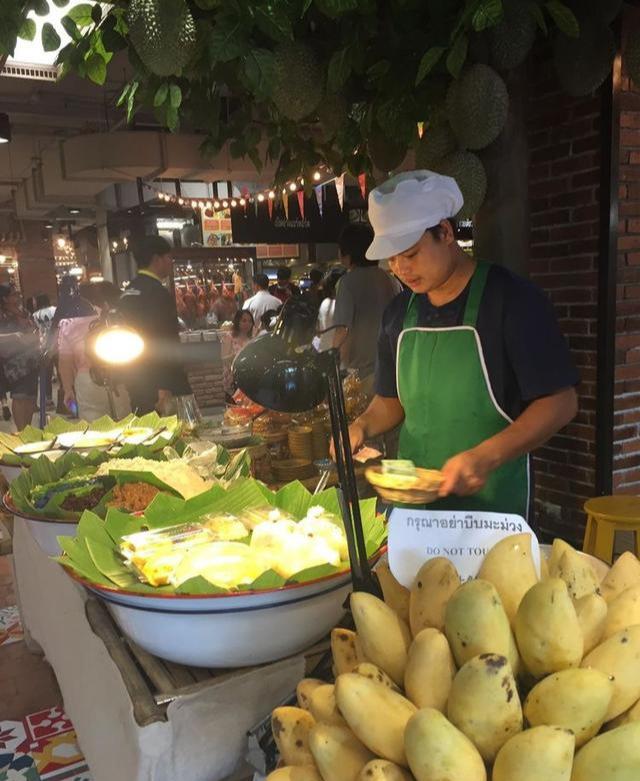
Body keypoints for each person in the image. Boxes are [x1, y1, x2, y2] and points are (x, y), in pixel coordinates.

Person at [342, 170, 579, 519]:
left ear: (446, 232)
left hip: (492, 510)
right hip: (414, 507)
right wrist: (361, 425)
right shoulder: (398, 313)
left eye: (410, 253)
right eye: (391, 258)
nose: (401, 269)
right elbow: (391, 402)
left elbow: (561, 403)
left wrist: (486, 456)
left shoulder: (511, 300)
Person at [118, 235, 192, 414]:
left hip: (136, 379)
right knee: (181, 432)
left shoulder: (127, 293)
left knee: (147, 431)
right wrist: (164, 386)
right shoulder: (157, 293)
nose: (171, 262)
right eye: (169, 258)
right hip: (163, 384)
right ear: (156, 259)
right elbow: (164, 339)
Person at [332, 223, 401, 396]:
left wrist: (337, 366)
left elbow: (342, 330)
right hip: (392, 368)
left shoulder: (347, 283)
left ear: (347, 254)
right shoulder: (391, 280)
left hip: (361, 373)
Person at [58, 281, 131, 421]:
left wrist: (68, 389)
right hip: (117, 376)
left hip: (86, 380)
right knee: (124, 421)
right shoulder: (111, 318)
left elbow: (65, 361)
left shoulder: (68, 324)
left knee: (94, 426)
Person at [0, 284, 40, 430]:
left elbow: (34, 327)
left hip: (31, 358)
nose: (17, 296)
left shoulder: (23, 311)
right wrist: (14, 337)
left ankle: (27, 429)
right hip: (13, 361)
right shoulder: (2, 314)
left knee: (30, 396)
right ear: (4, 298)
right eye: (13, 294)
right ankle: (21, 432)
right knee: (19, 396)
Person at [222, 309, 255, 396]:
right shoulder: (229, 337)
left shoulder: (252, 340)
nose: (247, 324)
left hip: (247, 380)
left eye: (250, 321)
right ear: (237, 322)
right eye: (244, 321)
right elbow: (223, 359)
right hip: (232, 379)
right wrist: (234, 356)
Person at [315, 267, 346, 352]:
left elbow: (318, 332)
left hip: (323, 351)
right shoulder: (343, 305)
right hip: (337, 356)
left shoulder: (325, 303)